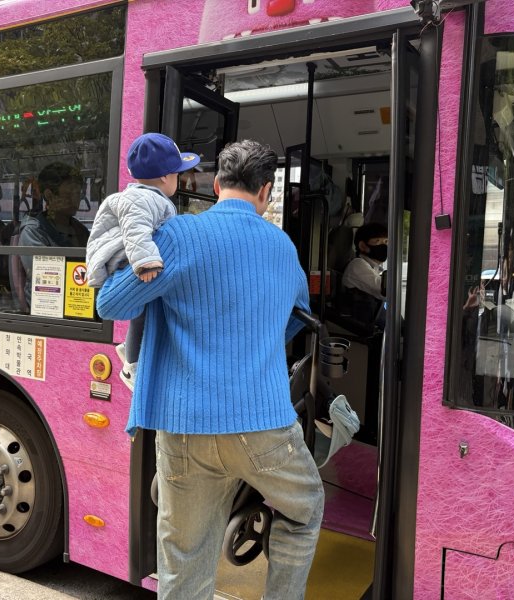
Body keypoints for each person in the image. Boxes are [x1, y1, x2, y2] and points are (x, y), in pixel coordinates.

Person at [96, 140, 321, 600]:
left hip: (184, 428)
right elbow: (299, 314)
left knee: (184, 556)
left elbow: (109, 303)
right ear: (266, 191)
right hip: (265, 426)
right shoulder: (283, 246)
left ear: (216, 185)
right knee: (305, 509)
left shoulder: (179, 236)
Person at [85, 132, 200, 391]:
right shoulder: (143, 199)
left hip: (129, 256)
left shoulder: (147, 197)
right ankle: (133, 367)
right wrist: (146, 261)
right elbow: (136, 230)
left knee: (146, 308)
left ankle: (130, 349)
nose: (178, 180)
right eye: (177, 174)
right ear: (164, 177)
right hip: (126, 259)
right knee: (145, 308)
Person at [17, 162, 90, 308]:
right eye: (69, 194)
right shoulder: (33, 231)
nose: (75, 199)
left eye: (78, 193)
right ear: (49, 195)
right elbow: (48, 277)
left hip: (77, 302)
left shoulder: (80, 230)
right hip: (48, 305)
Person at [338, 221, 388, 328]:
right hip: (360, 329)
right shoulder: (357, 265)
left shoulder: (373, 268)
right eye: (378, 241)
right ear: (363, 246)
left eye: (386, 241)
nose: (384, 245)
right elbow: (382, 290)